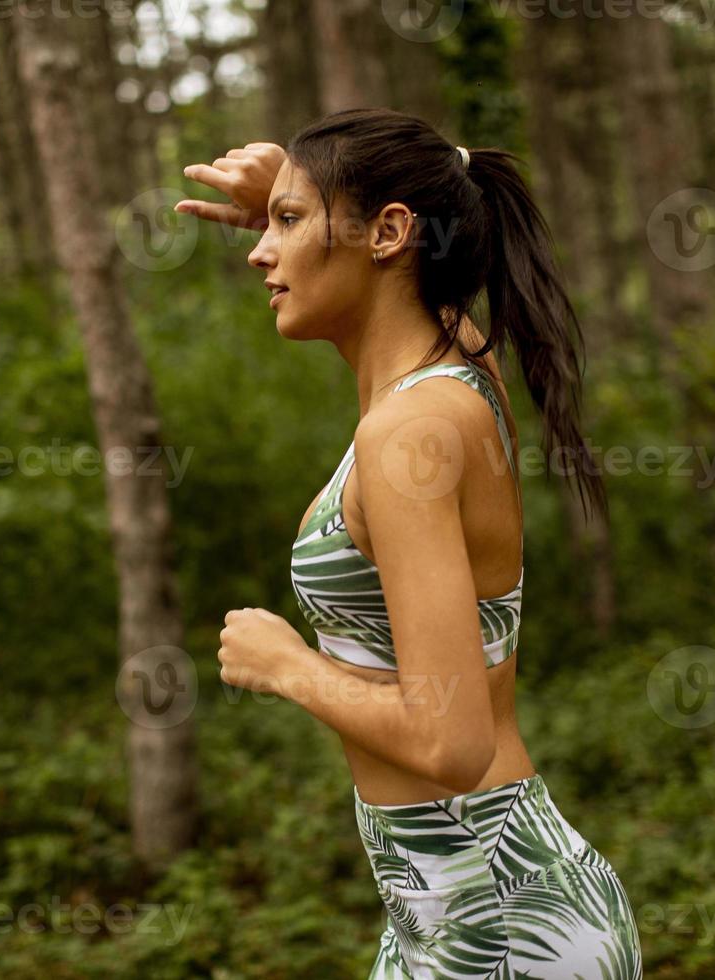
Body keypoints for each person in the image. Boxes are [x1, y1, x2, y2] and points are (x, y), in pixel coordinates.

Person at [178, 109, 642, 979]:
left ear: (391, 232)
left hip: (503, 929)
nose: (257, 253)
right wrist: (305, 197)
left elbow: (451, 742)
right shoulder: (458, 372)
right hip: (454, 912)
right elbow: (402, 287)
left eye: (283, 225)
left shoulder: (412, 435)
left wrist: (286, 665)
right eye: (272, 222)